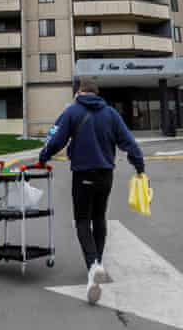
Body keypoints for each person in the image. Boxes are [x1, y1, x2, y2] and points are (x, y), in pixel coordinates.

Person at [38, 79, 145, 305]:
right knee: (99, 217)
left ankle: (93, 265)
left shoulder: (72, 111)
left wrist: (43, 157)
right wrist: (139, 166)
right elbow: (129, 142)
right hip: (106, 174)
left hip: (83, 174)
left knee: (82, 220)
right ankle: (98, 262)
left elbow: (55, 139)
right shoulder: (111, 114)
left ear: (79, 92)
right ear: (97, 93)